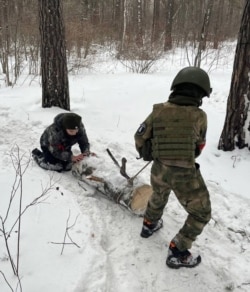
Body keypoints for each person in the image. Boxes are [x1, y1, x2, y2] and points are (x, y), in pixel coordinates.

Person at [134, 67, 212, 269]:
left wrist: (150, 151)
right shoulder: (199, 116)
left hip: (159, 168)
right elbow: (199, 146)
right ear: (201, 94)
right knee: (201, 213)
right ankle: (178, 250)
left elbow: (139, 137)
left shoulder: (158, 110)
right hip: (184, 172)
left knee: (159, 194)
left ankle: (149, 225)